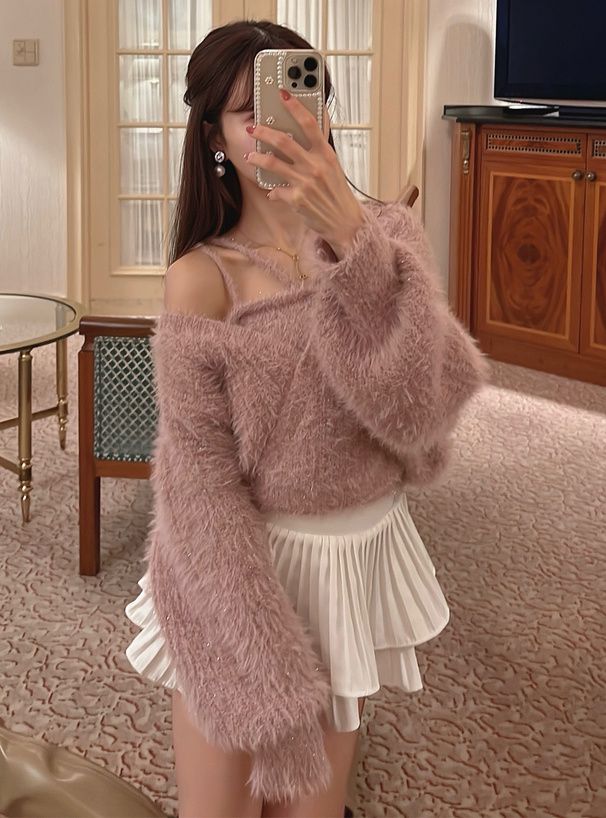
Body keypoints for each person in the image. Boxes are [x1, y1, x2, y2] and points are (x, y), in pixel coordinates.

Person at [123, 18, 491, 818]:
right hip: (236, 576)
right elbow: (198, 481)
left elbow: (427, 418)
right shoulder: (202, 278)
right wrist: (262, 659)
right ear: (214, 137)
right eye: (249, 111)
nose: (282, 124)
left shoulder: (387, 237)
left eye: (301, 96)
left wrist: (353, 240)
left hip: (352, 563)